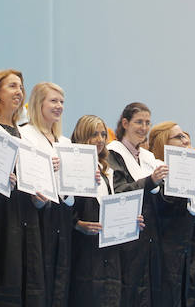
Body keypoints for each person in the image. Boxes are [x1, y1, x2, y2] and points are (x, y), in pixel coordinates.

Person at [0, 69, 45, 307]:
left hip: (23, 215)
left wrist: (39, 197)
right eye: (12, 86)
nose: (19, 92)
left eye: (20, 87)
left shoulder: (24, 134)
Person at [106, 102, 167, 307]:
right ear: (125, 123)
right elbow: (118, 191)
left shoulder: (149, 158)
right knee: (129, 291)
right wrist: (150, 181)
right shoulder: (113, 153)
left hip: (149, 235)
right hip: (126, 236)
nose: (144, 127)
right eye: (138, 122)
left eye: (148, 123)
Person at [19, 82, 74, 307]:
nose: (59, 106)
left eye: (61, 102)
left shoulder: (66, 143)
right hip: (35, 218)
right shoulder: (24, 135)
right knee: (37, 280)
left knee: (60, 281)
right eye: (53, 101)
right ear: (38, 103)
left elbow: (71, 191)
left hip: (61, 218)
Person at [69, 114, 125, 307]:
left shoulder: (108, 170)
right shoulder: (71, 164)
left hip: (108, 250)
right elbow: (65, 206)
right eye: (94, 134)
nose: (100, 140)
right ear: (83, 135)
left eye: (103, 134)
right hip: (83, 249)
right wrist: (76, 224)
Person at [148, 121, 195, 307]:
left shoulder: (189, 173)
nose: (186, 141)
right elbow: (163, 205)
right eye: (179, 137)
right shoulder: (155, 169)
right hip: (164, 245)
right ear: (164, 142)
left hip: (186, 243)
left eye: (185, 136)